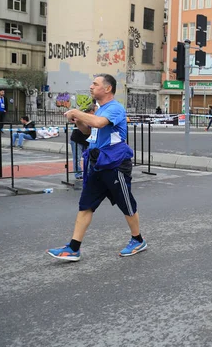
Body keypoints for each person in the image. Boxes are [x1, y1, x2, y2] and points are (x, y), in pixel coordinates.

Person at [46, 74, 146, 261]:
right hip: (97, 164)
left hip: (115, 164)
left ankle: (138, 240)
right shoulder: (100, 110)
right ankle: (73, 248)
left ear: (107, 89)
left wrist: (76, 112)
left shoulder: (115, 108)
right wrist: (81, 122)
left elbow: (99, 124)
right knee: (86, 206)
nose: (91, 87)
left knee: (127, 204)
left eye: (95, 84)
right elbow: (89, 131)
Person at [70, 104, 97, 179]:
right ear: (91, 111)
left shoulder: (94, 117)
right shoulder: (83, 115)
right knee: (77, 157)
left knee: (88, 158)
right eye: (96, 111)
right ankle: (78, 173)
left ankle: (88, 172)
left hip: (88, 140)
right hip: (77, 139)